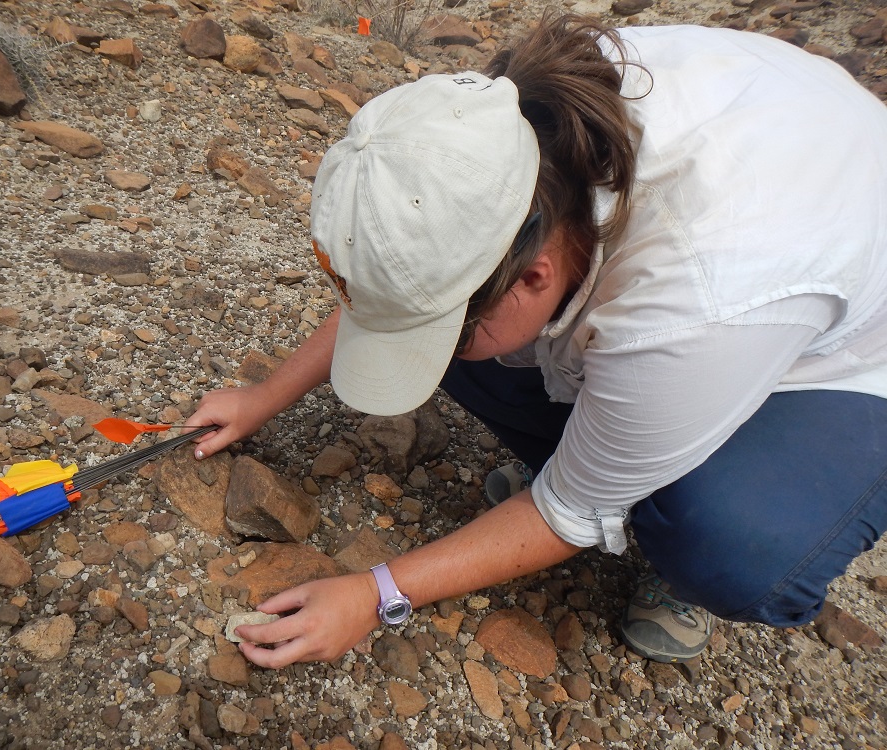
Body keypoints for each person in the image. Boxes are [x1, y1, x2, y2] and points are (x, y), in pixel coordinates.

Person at [186, 13, 887, 668]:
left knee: (729, 545)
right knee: (468, 349)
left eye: (455, 316)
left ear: (533, 276)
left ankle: (671, 516)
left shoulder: (690, 304)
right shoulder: (488, 127)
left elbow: (568, 510)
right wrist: (263, 397)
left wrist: (376, 594)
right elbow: (408, 282)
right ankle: (625, 451)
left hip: (845, 354)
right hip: (784, 184)